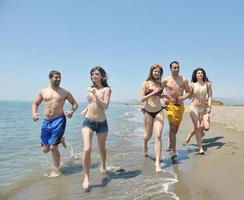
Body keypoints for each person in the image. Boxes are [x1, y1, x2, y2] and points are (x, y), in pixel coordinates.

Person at [32, 70, 78, 177]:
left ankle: (56, 171)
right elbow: (35, 103)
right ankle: (61, 139)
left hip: (59, 120)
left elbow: (75, 103)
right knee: (45, 149)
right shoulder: (43, 91)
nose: (58, 79)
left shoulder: (64, 92)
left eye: (59, 77)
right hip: (46, 121)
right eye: (56, 77)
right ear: (50, 78)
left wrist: (72, 111)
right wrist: (34, 114)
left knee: (53, 148)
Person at [81, 66, 111, 191]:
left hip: (102, 123)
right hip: (88, 121)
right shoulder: (89, 89)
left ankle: (103, 164)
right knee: (87, 148)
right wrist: (86, 109)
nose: (94, 76)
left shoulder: (107, 89)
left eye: (96, 74)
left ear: (102, 76)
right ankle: (87, 177)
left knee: (102, 149)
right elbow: (91, 103)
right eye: (92, 74)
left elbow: (105, 106)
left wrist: (96, 95)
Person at [162, 61, 190, 158]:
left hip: (180, 106)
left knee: (175, 129)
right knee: (173, 127)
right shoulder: (165, 80)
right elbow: (159, 93)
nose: (177, 69)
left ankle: (170, 145)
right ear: (170, 68)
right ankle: (174, 150)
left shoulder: (184, 80)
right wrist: (165, 99)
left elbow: (189, 92)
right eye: (174, 67)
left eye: (178, 67)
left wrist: (184, 97)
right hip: (169, 106)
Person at [140, 64, 166, 172]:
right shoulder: (145, 83)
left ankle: (157, 164)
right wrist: (153, 93)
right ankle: (145, 143)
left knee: (158, 135)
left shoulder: (160, 84)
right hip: (148, 112)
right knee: (148, 135)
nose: (157, 73)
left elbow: (159, 96)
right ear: (151, 72)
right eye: (155, 71)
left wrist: (163, 97)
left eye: (159, 72)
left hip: (159, 111)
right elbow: (142, 99)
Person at [183, 68, 212, 154]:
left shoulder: (208, 84)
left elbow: (210, 96)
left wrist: (209, 106)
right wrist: (181, 97)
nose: (200, 74)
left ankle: (190, 135)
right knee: (198, 127)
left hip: (204, 108)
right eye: (198, 73)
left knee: (206, 128)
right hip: (194, 108)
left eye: (202, 73)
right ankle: (200, 148)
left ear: (204, 74)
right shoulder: (192, 84)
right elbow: (189, 96)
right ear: (195, 75)